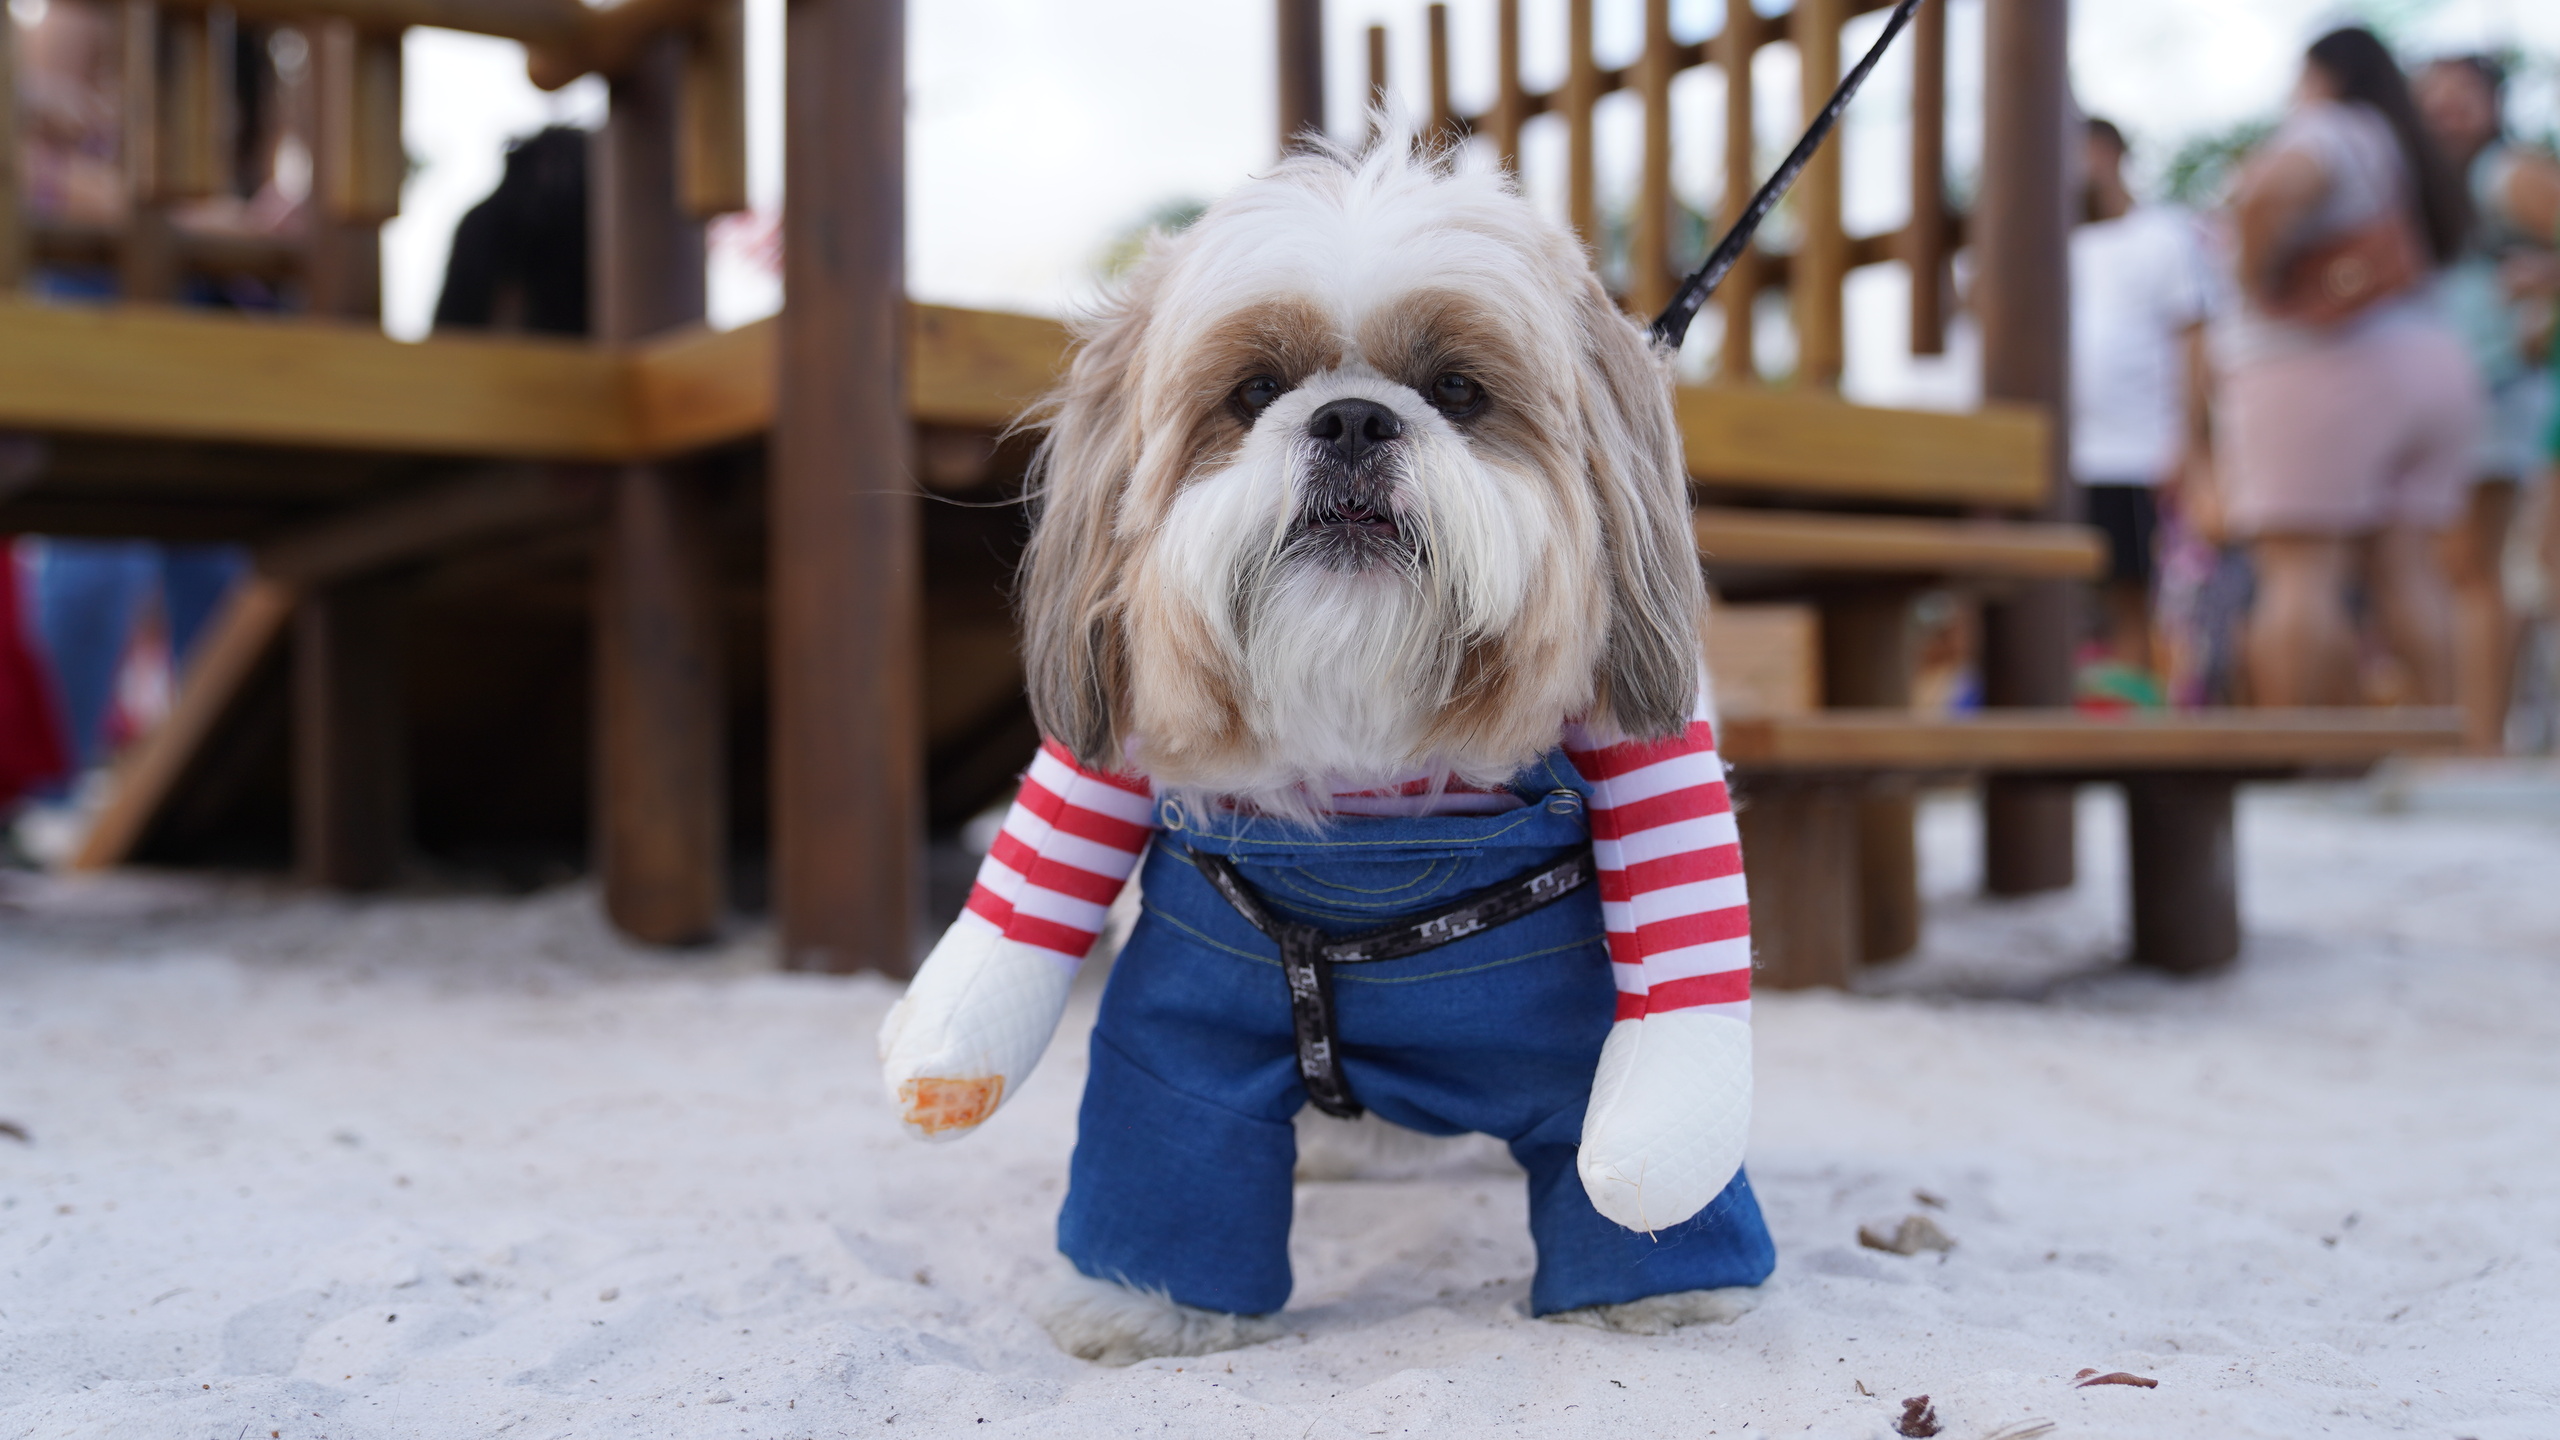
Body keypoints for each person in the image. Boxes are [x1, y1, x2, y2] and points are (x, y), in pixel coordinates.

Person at [2216, 27, 2484, 708]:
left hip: (2327, 367)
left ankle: (2302, 772)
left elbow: (2266, 194)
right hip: (2429, 362)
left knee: (2300, 570)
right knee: (2409, 569)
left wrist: (2257, 286)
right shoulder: (2403, 143)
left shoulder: (2330, 128)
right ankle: (2439, 757)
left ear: (2322, 74)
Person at [2414, 56, 2560, 750]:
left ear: (2494, 102)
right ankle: (2470, 734)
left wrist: (2544, 281)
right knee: (2460, 568)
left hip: (2497, 389)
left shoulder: (2509, 173)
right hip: (2457, 390)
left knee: (2477, 567)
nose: (2445, 110)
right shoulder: (2438, 180)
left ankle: (2479, 740)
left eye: (2460, 96)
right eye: (2432, 97)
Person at [2070, 117, 2214, 705]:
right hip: (2064, 456)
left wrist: (2191, 442)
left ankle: (2132, 720)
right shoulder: (2046, 240)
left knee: (2134, 594)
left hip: (2137, 451)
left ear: (2110, 153)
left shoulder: (2164, 235)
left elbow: (2195, 340)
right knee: (2062, 596)